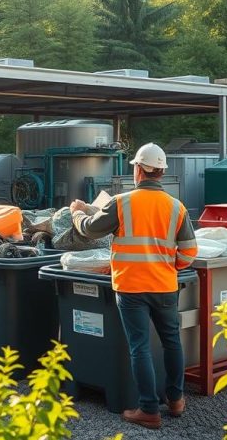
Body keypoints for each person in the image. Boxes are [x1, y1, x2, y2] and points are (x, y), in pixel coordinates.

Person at [69, 142, 198, 430]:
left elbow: (90, 230)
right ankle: (176, 400)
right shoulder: (177, 207)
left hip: (130, 288)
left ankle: (149, 410)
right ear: (161, 172)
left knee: (139, 346)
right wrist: (166, 267)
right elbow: (189, 253)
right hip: (165, 286)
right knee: (172, 341)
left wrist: (76, 212)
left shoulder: (122, 202)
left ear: (139, 170)